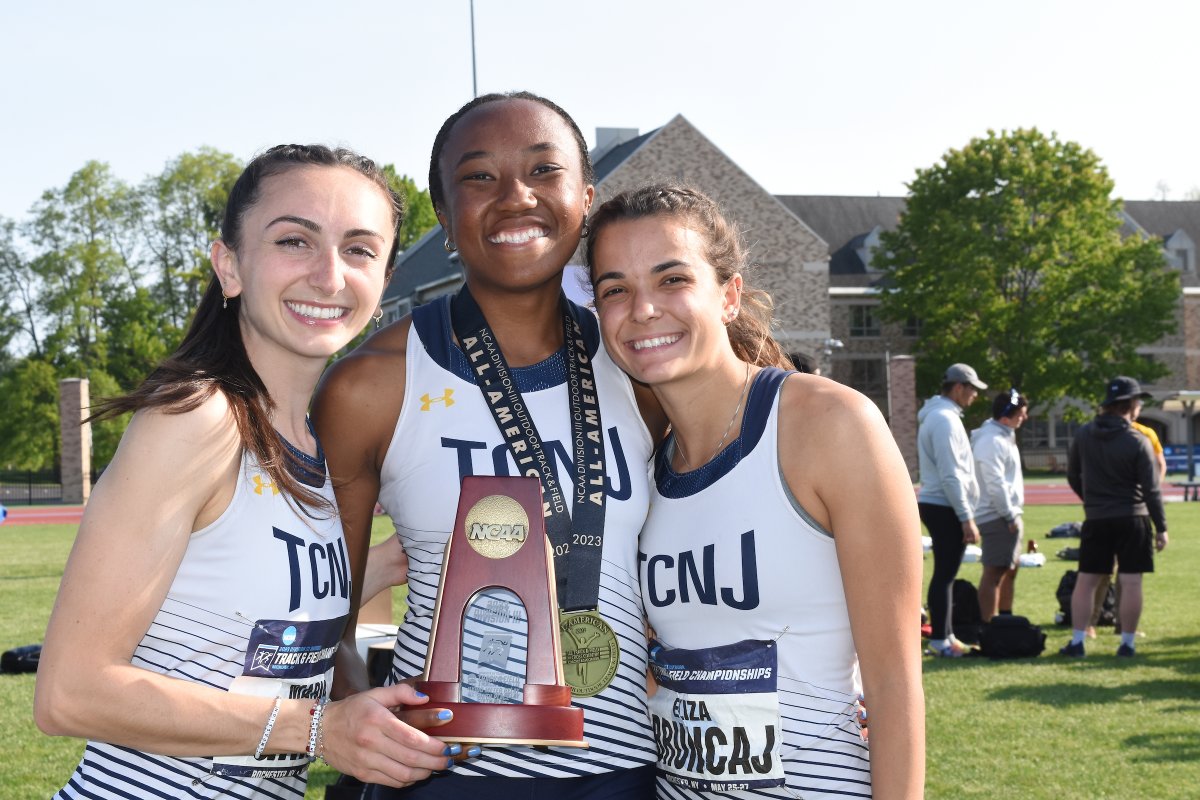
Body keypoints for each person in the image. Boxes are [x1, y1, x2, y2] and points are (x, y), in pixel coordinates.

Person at [34, 145, 458, 798]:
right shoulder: (197, 418)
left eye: (358, 250)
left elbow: (254, 619)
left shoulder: (315, 446)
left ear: (383, 285)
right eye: (294, 241)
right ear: (229, 265)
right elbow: (70, 693)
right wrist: (317, 730)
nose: (329, 276)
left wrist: (395, 567)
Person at [311, 92, 664, 799]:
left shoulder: (646, 368)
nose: (515, 197)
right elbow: (325, 613)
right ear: (444, 217)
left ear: (586, 198)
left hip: (627, 774)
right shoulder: (370, 385)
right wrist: (363, 716)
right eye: (479, 177)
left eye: (543, 170)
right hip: (443, 775)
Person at [586, 184, 925, 799]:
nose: (643, 309)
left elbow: (895, 684)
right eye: (615, 290)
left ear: (729, 295)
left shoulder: (829, 425)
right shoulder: (641, 467)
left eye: (671, 279)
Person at [1061, 376, 1169, 658]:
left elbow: (1072, 475)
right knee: (1132, 581)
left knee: (1087, 581)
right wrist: (1161, 527)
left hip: (1097, 517)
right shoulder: (1138, 439)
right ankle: (1127, 644)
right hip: (1133, 517)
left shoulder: (1084, 434)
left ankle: (1077, 642)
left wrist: (1092, 500)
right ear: (1129, 405)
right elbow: (1151, 490)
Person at [917, 362, 987, 657]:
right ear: (959, 387)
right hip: (943, 504)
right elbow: (950, 474)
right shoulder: (944, 420)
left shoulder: (940, 416)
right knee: (945, 575)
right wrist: (966, 517)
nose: (975, 395)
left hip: (940, 503)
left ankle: (945, 636)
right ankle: (940, 640)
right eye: (973, 389)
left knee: (945, 574)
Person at [971, 389, 1029, 621]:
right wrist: (1008, 514)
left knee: (1009, 568)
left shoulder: (1000, 435)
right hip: (996, 515)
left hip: (1002, 513)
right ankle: (988, 625)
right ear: (1005, 418)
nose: (1025, 418)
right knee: (994, 572)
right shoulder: (992, 440)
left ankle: (1004, 618)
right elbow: (995, 482)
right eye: (1021, 414)